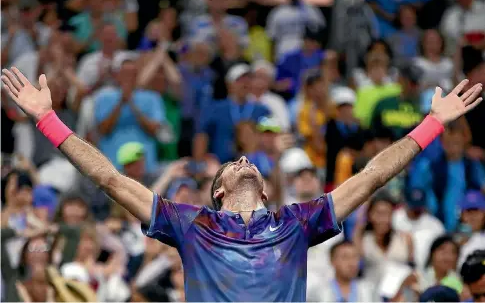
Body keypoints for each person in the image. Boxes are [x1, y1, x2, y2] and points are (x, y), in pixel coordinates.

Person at [1, 66, 483, 301]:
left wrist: (432, 125)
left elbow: (373, 175)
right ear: (218, 191)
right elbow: (108, 178)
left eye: (248, 160)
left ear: (268, 190)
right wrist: (48, 121)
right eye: (233, 162)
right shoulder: (190, 224)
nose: (245, 159)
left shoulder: (298, 222)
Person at [307, 241, 373, 302]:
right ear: (332, 261)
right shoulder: (317, 293)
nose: (352, 263)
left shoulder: (369, 290)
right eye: (345, 257)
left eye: (355, 257)